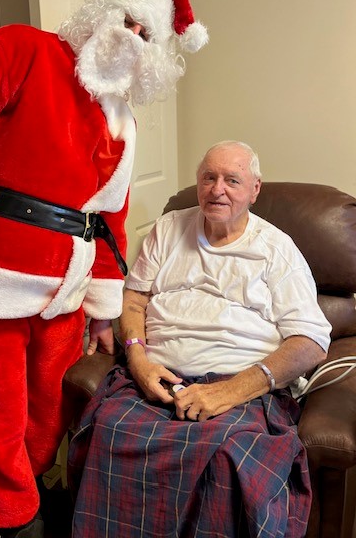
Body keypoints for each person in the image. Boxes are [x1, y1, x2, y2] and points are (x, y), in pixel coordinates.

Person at [0, 0, 208, 537]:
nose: (131, 38)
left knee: (46, 411)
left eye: (146, 33)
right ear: (101, 13)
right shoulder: (17, 49)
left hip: (68, 286)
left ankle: (29, 493)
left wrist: (105, 312)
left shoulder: (123, 120)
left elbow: (112, 215)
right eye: (127, 21)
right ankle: (16, 522)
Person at [69, 140, 332, 538]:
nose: (217, 189)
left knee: (228, 460)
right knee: (110, 430)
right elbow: (135, 298)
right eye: (208, 177)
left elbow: (311, 339)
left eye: (232, 180)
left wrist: (229, 391)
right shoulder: (169, 227)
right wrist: (137, 360)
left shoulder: (276, 249)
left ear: (255, 189)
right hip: (157, 378)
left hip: (241, 388)